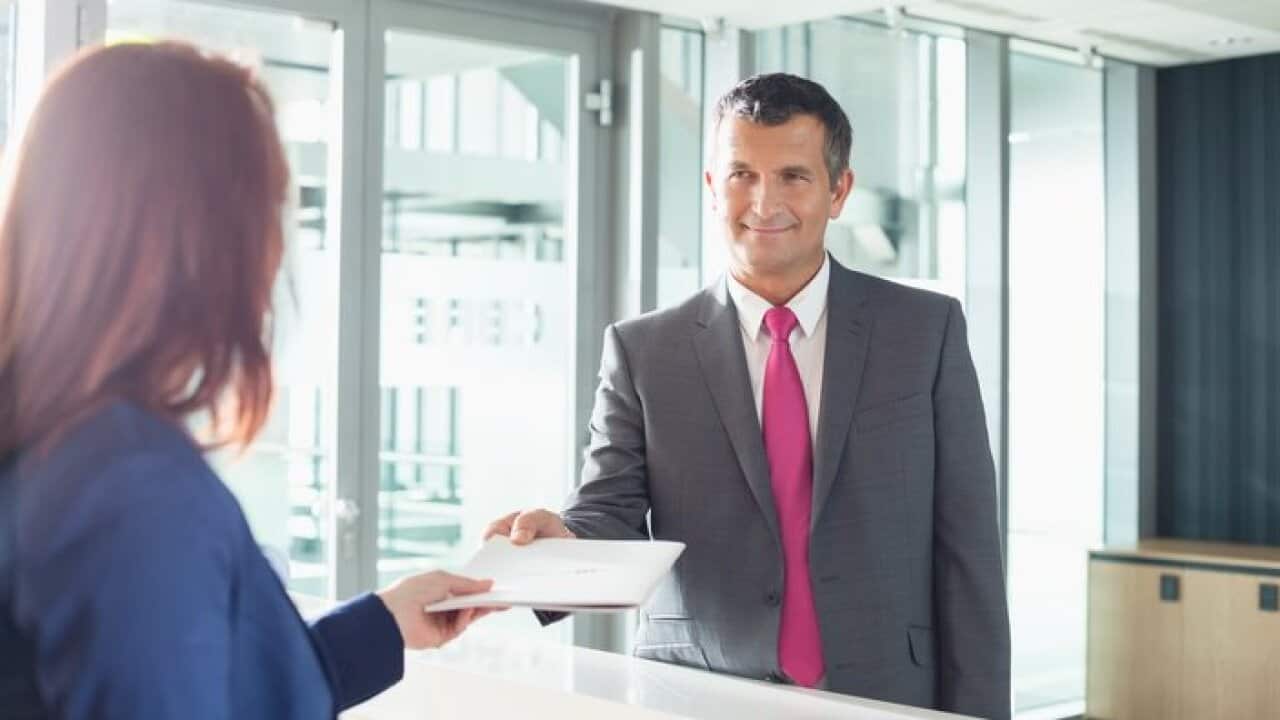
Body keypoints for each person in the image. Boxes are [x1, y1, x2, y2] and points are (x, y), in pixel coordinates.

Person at [487, 73, 1010, 719]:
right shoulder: (644, 349)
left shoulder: (923, 330)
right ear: (712, 187)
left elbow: (968, 547)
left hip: (885, 690)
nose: (764, 203)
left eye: (793, 175)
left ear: (839, 190)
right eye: (741, 174)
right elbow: (612, 508)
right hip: (699, 693)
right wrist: (560, 538)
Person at [0, 42, 492, 718]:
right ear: (200, 235)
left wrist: (382, 623)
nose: (279, 247)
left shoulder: (48, 436)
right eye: (271, 206)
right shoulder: (136, 489)